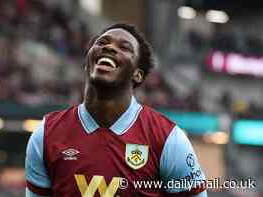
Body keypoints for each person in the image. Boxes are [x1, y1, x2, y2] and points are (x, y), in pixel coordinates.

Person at [25, 22, 207, 196]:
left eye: (125, 47)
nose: (109, 48)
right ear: (88, 62)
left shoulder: (168, 139)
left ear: (138, 74)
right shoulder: (46, 134)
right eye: (102, 43)